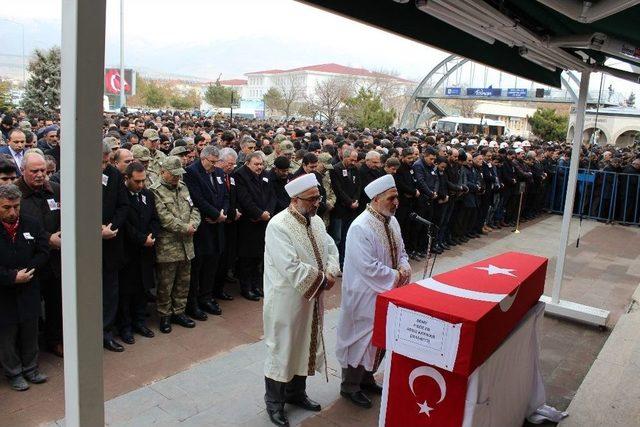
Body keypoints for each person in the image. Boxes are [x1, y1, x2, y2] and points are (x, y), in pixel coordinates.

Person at [262, 173, 340, 427]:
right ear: (295, 200)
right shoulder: (278, 225)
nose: (318, 202)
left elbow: (331, 248)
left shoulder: (316, 221)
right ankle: (274, 402)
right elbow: (290, 266)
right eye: (313, 198)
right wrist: (322, 280)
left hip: (311, 296)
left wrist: (331, 270)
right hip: (287, 299)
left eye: (318, 197)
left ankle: (296, 394)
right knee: (283, 347)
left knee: (306, 342)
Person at [336, 174, 411, 409]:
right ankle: (350, 386)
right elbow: (368, 267)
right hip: (364, 295)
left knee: (380, 338)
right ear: (377, 199)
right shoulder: (360, 227)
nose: (396, 202)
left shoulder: (392, 221)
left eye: (396, 197)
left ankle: (367, 379)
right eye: (392, 198)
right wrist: (396, 276)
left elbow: (402, 251)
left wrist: (404, 266)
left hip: (387, 292)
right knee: (359, 340)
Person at [0, 184, 50, 391]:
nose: (12, 212)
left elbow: (43, 251)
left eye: (16, 207)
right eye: (6, 208)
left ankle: (31, 368)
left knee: (30, 329)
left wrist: (28, 271)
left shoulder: (31, 223)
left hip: (29, 287)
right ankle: (14, 372)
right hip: (4, 292)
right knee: (7, 335)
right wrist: (12, 277)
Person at [15, 152, 63, 357]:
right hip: (30, 260)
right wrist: (47, 238)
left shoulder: (56, 190)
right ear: (23, 170)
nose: (40, 175)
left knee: (55, 303)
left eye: (43, 170)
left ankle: (54, 340)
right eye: (35, 171)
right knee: (31, 309)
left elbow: (65, 216)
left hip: (54, 261)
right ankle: (28, 349)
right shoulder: (15, 194)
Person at [151, 156, 201, 333]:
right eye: (173, 175)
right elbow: (164, 218)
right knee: (166, 283)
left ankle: (179, 312)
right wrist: (184, 227)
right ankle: (165, 315)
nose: (176, 178)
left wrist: (194, 224)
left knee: (183, 281)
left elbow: (194, 208)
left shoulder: (183, 187)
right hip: (168, 246)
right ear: (163, 172)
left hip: (187, 244)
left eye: (178, 175)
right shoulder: (155, 191)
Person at [183, 146, 228, 320]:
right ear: (203, 158)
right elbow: (197, 199)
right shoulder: (191, 172)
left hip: (217, 226)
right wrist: (215, 214)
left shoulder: (217, 172)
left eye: (217, 162)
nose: (215, 165)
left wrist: (222, 213)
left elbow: (224, 195)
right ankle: (192, 302)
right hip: (202, 227)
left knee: (212, 264)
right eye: (212, 162)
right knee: (198, 267)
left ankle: (206, 297)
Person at [117, 162, 159, 344]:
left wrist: (152, 235)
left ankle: (140, 322)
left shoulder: (147, 195)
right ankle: (125, 327)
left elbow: (155, 219)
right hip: (128, 251)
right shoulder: (120, 195)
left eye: (143, 181)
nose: (141, 185)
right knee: (126, 292)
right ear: (127, 178)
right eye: (137, 181)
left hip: (146, 251)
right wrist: (142, 239)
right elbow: (124, 225)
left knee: (143, 289)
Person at [235, 152, 275, 301]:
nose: (259, 167)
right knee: (247, 257)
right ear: (247, 163)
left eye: (261, 164)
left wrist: (268, 212)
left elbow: (272, 195)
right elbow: (245, 199)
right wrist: (259, 214)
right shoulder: (240, 175)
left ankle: (256, 285)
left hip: (264, 220)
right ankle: (246, 288)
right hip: (249, 222)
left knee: (259, 256)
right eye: (256, 164)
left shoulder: (266, 174)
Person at [101, 141, 129, 352]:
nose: (104, 166)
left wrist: (111, 227)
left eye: (107, 162)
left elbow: (123, 205)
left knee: (110, 290)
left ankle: (106, 331)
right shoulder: (77, 173)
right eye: (101, 162)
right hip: (87, 244)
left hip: (111, 240)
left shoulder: (115, 175)